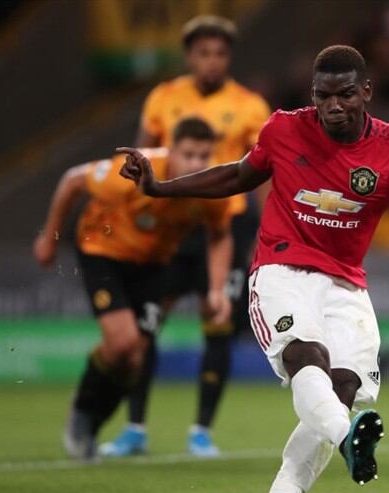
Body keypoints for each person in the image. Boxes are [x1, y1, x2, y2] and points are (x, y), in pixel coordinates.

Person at [118, 45, 389, 493]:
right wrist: (160, 187)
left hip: (346, 282)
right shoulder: (284, 129)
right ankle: (347, 437)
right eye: (322, 95)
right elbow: (238, 175)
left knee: (342, 388)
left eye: (345, 94)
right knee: (305, 356)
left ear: (366, 92)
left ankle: (298, 481)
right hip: (280, 269)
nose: (333, 106)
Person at [101, 15, 271, 458]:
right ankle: (135, 428)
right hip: (169, 227)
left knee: (218, 322)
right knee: (145, 326)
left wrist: (268, 228)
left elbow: (266, 171)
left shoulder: (251, 106)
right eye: (203, 53)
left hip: (224, 226)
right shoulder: (164, 97)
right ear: (189, 56)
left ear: (229, 57)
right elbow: (139, 158)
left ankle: (201, 432)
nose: (212, 61)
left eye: (220, 53)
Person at [33, 118, 242, 460]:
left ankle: (93, 421)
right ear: (170, 150)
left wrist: (217, 290)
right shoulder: (132, 172)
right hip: (103, 252)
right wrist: (49, 237)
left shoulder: (208, 190)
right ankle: (83, 412)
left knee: (134, 360)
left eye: (204, 156)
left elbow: (220, 235)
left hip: (153, 265)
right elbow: (72, 180)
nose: (196, 164)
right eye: (188, 155)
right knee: (123, 342)